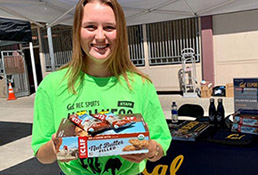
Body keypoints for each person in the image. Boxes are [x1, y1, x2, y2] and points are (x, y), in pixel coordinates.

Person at [31, 0, 172, 174]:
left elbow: (160, 146)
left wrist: (150, 150)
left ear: (120, 33)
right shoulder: (52, 85)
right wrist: (55, 147)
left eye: (109, 27)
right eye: (90, 26)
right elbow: (41, 156)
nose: (99, 36)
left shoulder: (141, 85)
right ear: (77, 31)